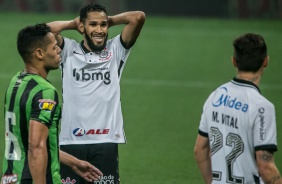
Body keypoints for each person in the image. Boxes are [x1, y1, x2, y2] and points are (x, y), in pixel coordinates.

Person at [47, 3, 145, 184]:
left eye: (103, 25)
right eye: (93, 25)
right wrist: (72, 23)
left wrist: (108, 20)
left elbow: (138, 17)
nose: (99, 30)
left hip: (105, 140)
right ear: (82, 27)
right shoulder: (68, 50)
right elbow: (44, 31)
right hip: (71, 141)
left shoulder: (116, 50)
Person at [1, 23, 102, 184]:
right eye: (54, 47)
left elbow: (29, 141)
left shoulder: (15, 83)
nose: (59, 50)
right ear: (40, 53)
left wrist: (74, 163)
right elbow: (36, 147)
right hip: (34, 178)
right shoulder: (44, 92)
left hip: (10, 177)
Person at [194, 33, 282, 184]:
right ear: (266, 61)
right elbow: (265, 167)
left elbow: (200, 150)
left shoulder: (215, 97)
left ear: (234, 61)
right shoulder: (262, 107)